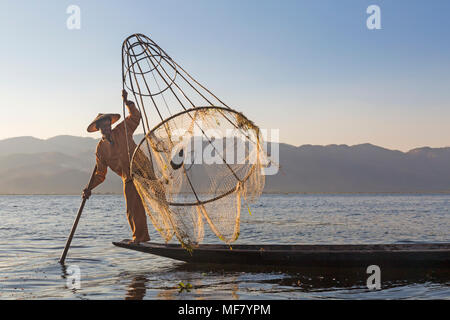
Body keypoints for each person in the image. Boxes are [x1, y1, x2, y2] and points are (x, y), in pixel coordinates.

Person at [82, 90, 150, 244]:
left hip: (143, 169)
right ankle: (140, 238)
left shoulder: (122, 129)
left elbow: (135, 117)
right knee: (132, 210)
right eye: (103, 127)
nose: (107, 128)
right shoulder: (100, 149)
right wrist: (89, 187)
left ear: (110, 125)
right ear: (99, 129)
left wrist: (128, 103)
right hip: (129, 178)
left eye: (108, 125)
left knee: (160, 196)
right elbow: (100, 174)